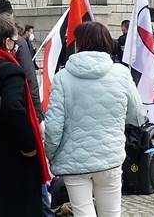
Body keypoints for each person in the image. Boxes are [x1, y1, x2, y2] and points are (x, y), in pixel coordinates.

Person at [44, 20, 144, 217]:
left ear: (79, 43)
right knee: (111, 212)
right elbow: (136, 114)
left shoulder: (63, 77)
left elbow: (54, 126)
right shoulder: (121, 74)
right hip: (110, 155)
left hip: (74, 159)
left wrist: (51, 154)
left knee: (82, 211)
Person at [0, 12, 50, 217]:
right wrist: (29, 146)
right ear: (6, 42)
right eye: (14, 41)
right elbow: (12, 108)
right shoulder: (9, 70)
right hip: (10, 154)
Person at [0, 0, 42, 115]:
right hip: (15, 108)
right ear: (11, 15)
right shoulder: (18, 42)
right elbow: (29, 78)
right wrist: (38, 114)